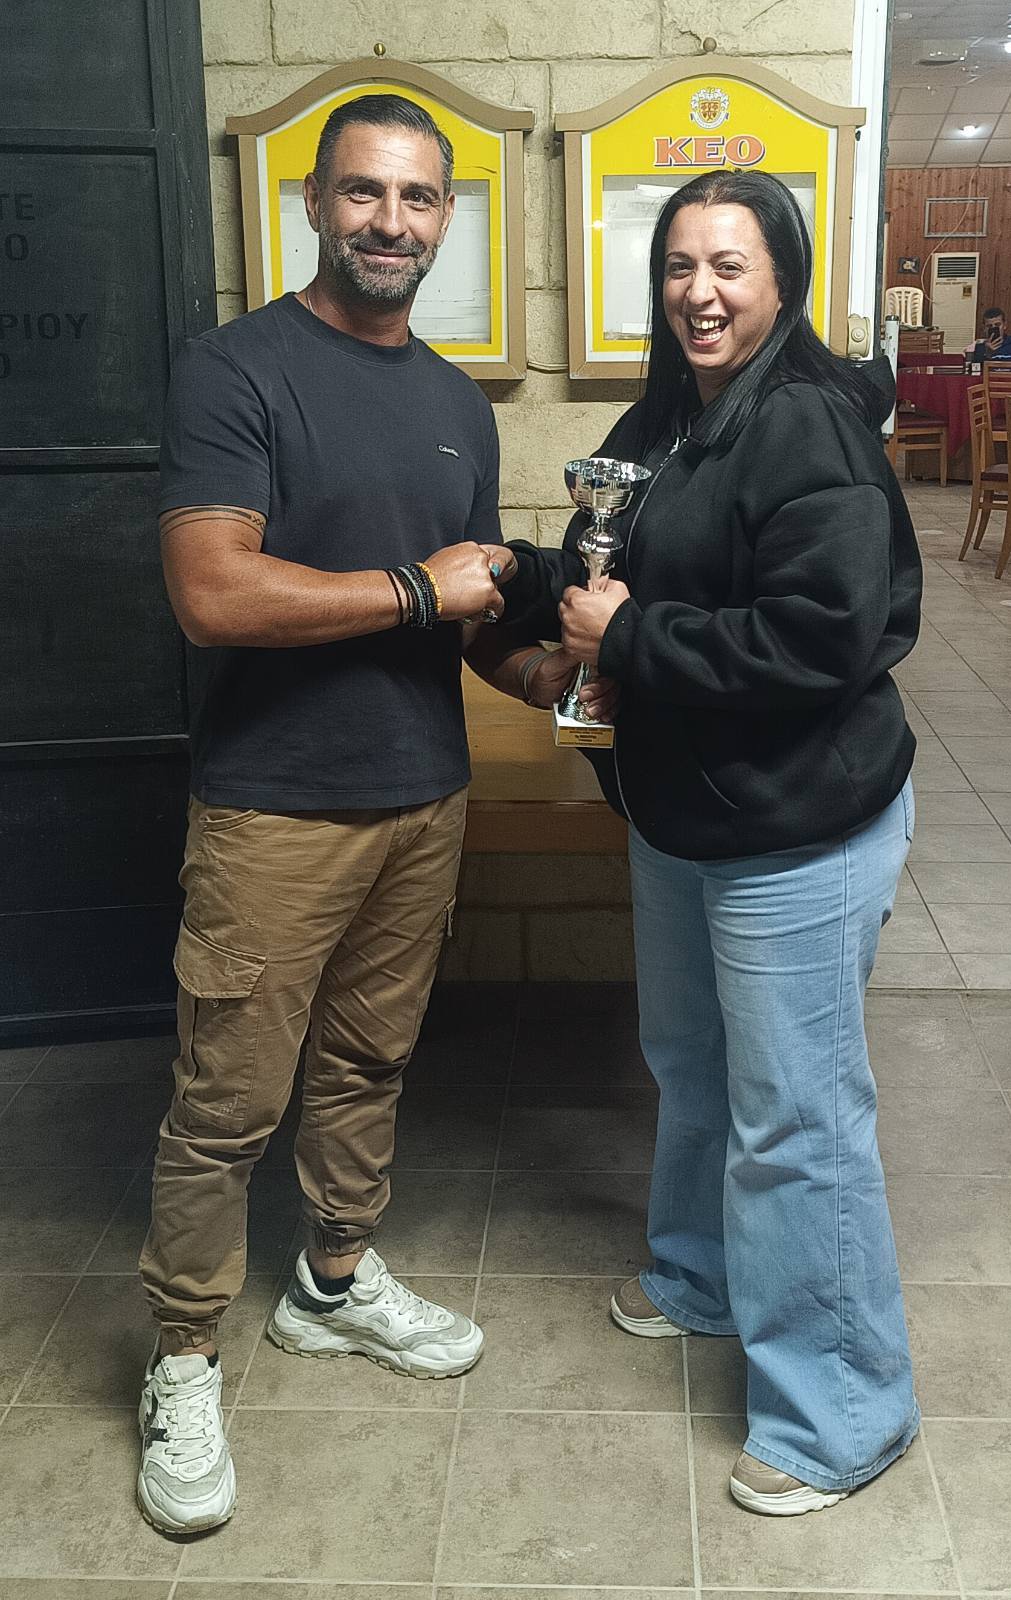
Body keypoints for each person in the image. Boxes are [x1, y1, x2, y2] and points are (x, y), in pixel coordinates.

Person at [471, 169, 923, 1515]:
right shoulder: (668, 415)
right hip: (683, 814)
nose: (699, 292)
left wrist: (634, 637)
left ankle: (844, 1413)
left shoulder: (808, 424)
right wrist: (522, 576)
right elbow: (612, 572)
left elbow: (825, 640)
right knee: (691, 1063)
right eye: (678, 265)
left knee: (797, 1120)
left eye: (729, 265)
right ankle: (703, 1274)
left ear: (781, 279)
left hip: (795, 825)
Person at [137, 93, 521, 1536]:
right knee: (225, 1104)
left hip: (423, 795)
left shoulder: (454, 402)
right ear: (313, 202)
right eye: (364, 192)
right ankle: (182, 1357)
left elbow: (466, 617)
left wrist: (559, 663)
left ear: (444, 217)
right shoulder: (234, 369)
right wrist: (423, 588)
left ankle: (333, 1282)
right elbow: (212, 592)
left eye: (417, 198)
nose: (390, 222)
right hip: (275, 810)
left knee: (368, 1063)